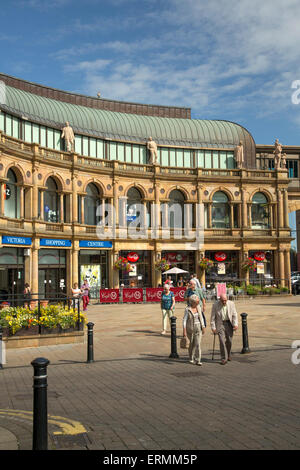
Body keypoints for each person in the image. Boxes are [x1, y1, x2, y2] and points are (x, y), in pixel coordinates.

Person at [210, 293, 238, 365]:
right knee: (222, 341)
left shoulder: (231, 304)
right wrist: (213, 327)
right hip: (220, 324)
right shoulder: (215, 305)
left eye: (225, 300)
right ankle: (223, 358)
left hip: (229, 323)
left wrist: (235, 324)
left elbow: (234, 315)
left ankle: (228, 354)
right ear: (219, 300)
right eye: (222, 301)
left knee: (229, 341)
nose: (224, 302)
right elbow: (212, 317)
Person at [182, 294, 205, 365]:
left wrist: (203, 326)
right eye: (197, 302)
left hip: (198, 327)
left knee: (198, 344)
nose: (198, 303)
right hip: (190, 328)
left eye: (198, 301)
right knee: (191, 344)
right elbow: (184, 320)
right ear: (192, 302)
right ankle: (191, 358)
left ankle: (198, 360)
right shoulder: (187, 309)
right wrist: (184, 331)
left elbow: (201, 317)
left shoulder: (198, 307)